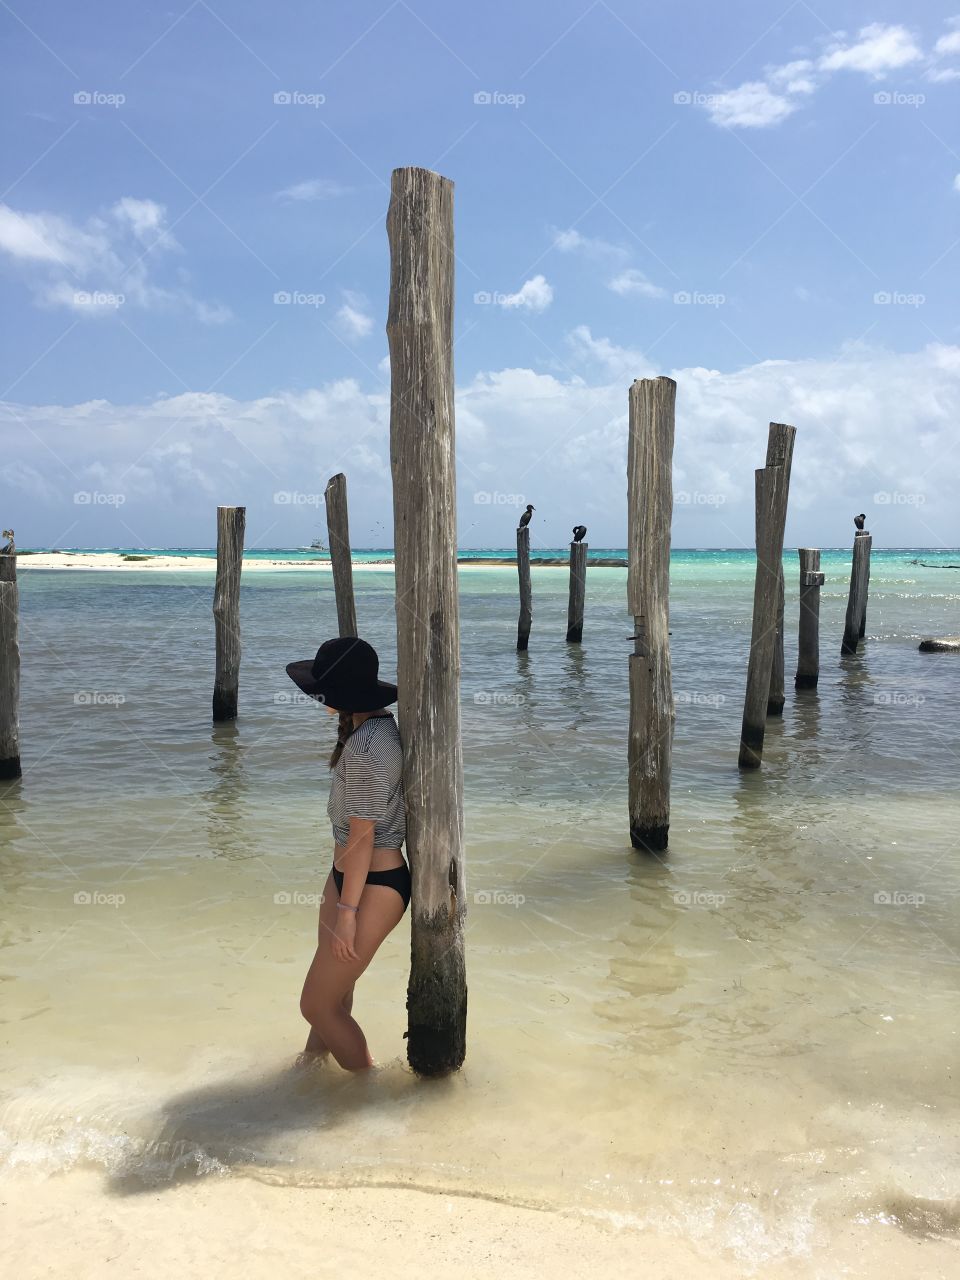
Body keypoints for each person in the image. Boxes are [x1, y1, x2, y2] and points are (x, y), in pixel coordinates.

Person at [285, 636, 410, 1071]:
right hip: (350, 879)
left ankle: (364, 1086)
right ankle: (309, 1069)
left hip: (372, 885)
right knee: (334, 994)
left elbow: (362, 838)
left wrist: (347, 911)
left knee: (316, 1004)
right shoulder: (368, 732)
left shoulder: (367, 747)